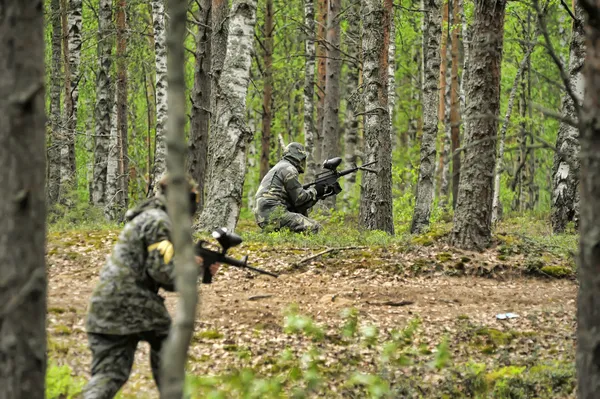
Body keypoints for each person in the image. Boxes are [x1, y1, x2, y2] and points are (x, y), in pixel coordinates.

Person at [83, 173, 218, 399]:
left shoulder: (148, 217)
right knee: (169, 351)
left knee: (109, 375)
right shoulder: (158, 221)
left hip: (104, 304)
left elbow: (159, 267)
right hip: (131, 300)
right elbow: (163, 272)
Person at [254, 142, 336, 234]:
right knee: (315, 227)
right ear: (299, 157)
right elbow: (299, 199)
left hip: (263, 215)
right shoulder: (289, 169)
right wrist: (316, 191)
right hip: (273, 212)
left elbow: (297, 204)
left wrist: (316, 194)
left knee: (296, 225)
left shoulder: (280, 166)